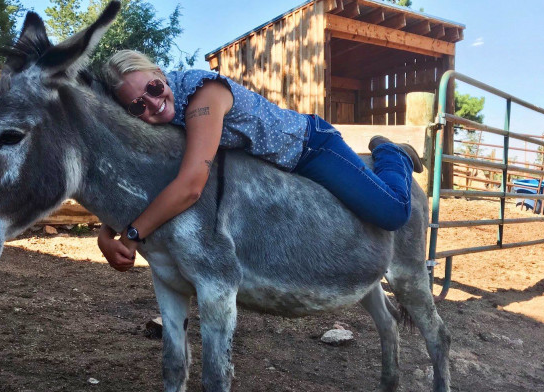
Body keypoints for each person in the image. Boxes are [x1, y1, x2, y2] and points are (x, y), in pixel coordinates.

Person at [97, 50, 423, 271]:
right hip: (271, 171)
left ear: (159, 73)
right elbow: (151, 179)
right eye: (138, 106)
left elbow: (190, 185)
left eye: (154, 87)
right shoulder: (165, 119)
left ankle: (391, 154)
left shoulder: (202, 96)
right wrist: (104, 235)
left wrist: (130, 236)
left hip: (309, 148)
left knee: (392, 212)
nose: (153, 104)